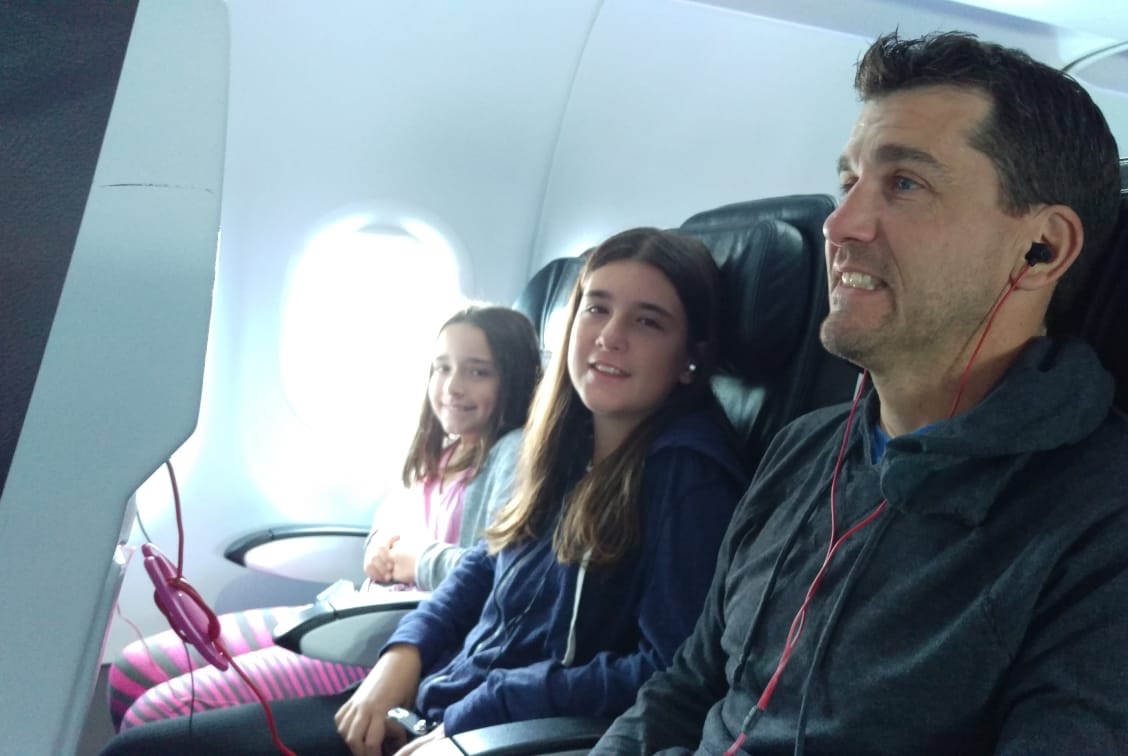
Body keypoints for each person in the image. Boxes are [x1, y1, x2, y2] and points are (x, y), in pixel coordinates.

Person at [594, 31, 1128, 754]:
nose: (839, 224)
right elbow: (686, 688)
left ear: (1043, 250)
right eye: (849, 182)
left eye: (904, 184)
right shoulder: (805, 449)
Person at [98, 226, 748, 756]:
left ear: (691, 357)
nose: (608, 336)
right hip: (442, 695)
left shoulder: (687, 477)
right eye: (597, 307)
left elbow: (668, 670)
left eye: (648, 322)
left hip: (511, 731)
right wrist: (399, 659)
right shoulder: (567, 444)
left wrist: (485, 711)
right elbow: (483, 565)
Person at [107, 304, 541, 731]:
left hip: (396, 643)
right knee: (133, 670)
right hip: (363, 610)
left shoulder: (513, 453)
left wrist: (416, 562)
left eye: (477, 372)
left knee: (158, 712)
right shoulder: (444, 450)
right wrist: (380, 543)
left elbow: (499, 576)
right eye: (442, 368)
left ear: (514, 379)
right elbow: (396, 513)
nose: (453, 387)